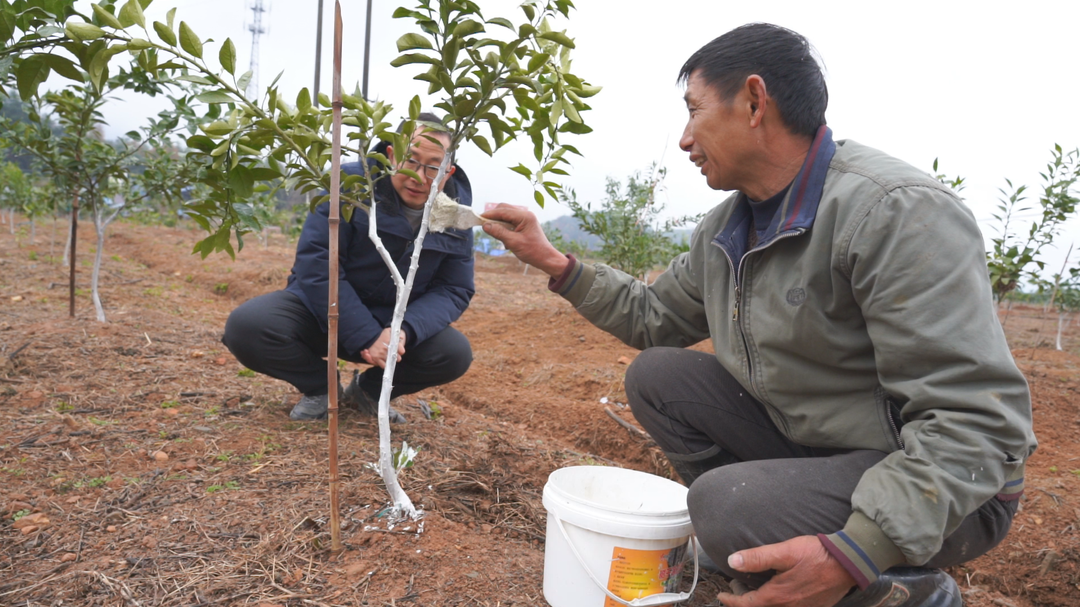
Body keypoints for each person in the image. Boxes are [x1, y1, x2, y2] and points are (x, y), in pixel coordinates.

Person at [482, 23, 1036, 607]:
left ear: (753, 102)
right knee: (660, 377)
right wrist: (553, 261)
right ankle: (778, 538)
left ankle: (903, 589)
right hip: (829, 450)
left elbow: (975, 422)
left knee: (725, 504)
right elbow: (654, 317)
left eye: (694, 111)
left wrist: (861, 546)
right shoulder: (728, 229)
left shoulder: (893, 212)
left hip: (954, 487)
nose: (684, 139)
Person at [223, 114, 475, 422]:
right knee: (248, 326)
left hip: (390, 323)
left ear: (447, 173)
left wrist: (404, 331)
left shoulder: (454, 216)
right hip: (322, 311)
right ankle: (320, 388)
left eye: (433, 167)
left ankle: (368, 391)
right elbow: (317, 264)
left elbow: (454, 289)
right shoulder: (349, 186)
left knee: (453, 353)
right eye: (411, 160)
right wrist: (365, 335)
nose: (419, 177)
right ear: (391, 155)